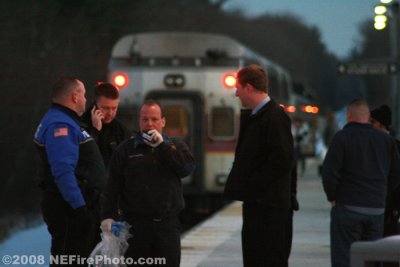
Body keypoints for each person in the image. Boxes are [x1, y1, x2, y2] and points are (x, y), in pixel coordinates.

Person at [100, 99, 195, 267]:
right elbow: (112, 186)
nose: (149, 124)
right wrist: (108, 216)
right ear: (139, 121)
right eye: (145, 119)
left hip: (167, 226)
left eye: (154, 119)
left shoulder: (175, 146)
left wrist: (162, 146)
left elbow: (186, 169)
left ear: (163, 121)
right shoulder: (126, 149)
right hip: (136, 228)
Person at [224, 64, 294, 267]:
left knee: (267, 259)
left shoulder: (273, 117)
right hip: (261, 205)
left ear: (248, 87)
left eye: (238, 88)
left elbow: (282, 160)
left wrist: (252, 185)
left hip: (268, 208)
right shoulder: (262, 116)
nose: (236, 93)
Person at [34, 77, 106, 266]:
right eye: (83, 94)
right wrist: (79, 208)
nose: (85, 99)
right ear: (74, 97)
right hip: (69, 209)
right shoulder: (60, 125)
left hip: (76, 206)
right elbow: (63, 171)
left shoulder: (66, 121)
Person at [322, 99, 400, 267]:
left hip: (348, 206)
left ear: (350, 115)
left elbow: (329, 172)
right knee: (371, 257)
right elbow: (396, 173)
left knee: (345, 256)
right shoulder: (386, 141)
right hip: (376, 209)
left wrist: (332, 196)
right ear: (368, 117)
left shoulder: (341, 138)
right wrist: (381, 192)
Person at [81, 82, 131, 167]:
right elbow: (84, 155)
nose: (110, 113)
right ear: (95, 106)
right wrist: (95, 130)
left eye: (114, 108)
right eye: (105, 108)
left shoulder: (121, 130)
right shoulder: (81, 125)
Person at [370, 105, 400, 239]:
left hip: (390, 207)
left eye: (372, 122)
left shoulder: (393, 146)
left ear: (382, 125)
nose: (369, 126)